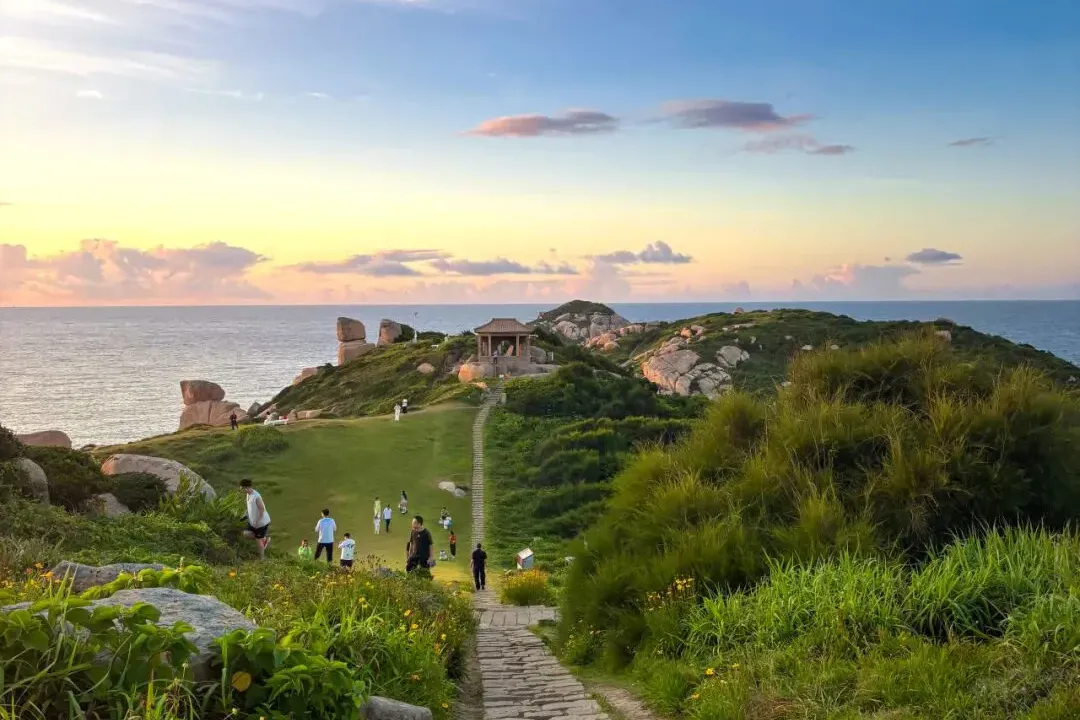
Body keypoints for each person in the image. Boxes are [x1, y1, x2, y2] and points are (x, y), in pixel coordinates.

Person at [240, 479, 271, 560]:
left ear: (246, 487)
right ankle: (264, 539)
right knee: (245, 534)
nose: (241, 490)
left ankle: (262, 559)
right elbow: (249, 507)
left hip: (261, 523)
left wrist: (257, 522)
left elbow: (262, 510)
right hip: (252, 522)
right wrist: (245, 514)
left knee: (258, 541)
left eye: (242, 488)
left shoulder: (256, 497)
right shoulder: (248, 495)